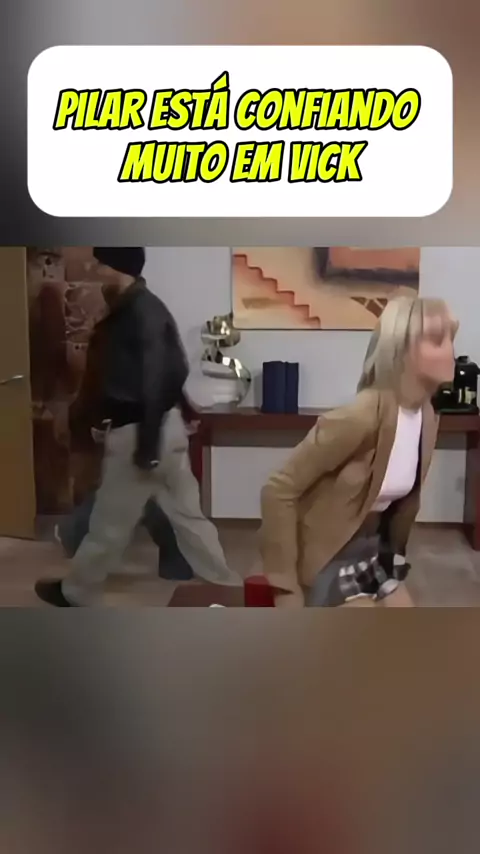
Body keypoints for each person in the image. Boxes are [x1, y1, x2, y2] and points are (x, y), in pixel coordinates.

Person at [35, 247, 238, 606]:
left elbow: (158, 376)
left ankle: (76, 593)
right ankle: (229, 587)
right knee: (190, 519)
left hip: (141, 431)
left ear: (117, 266)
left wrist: (147, 443)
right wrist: (180, 413)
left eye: (100, 262)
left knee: (109, 524)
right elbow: (172, 368)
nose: (95, 268)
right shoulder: (139, 308)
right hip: (161, 429)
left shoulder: (139, 311)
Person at [259, 296, 458, 608]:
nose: (450, 350)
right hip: (325, 555)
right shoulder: (362, 416)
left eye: (451, 338)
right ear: (401, 351)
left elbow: (401, 507)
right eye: (436, 339)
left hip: (371, 551)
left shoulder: (427, 418)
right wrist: (284, 585)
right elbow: (278, 489)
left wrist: (393, 557)